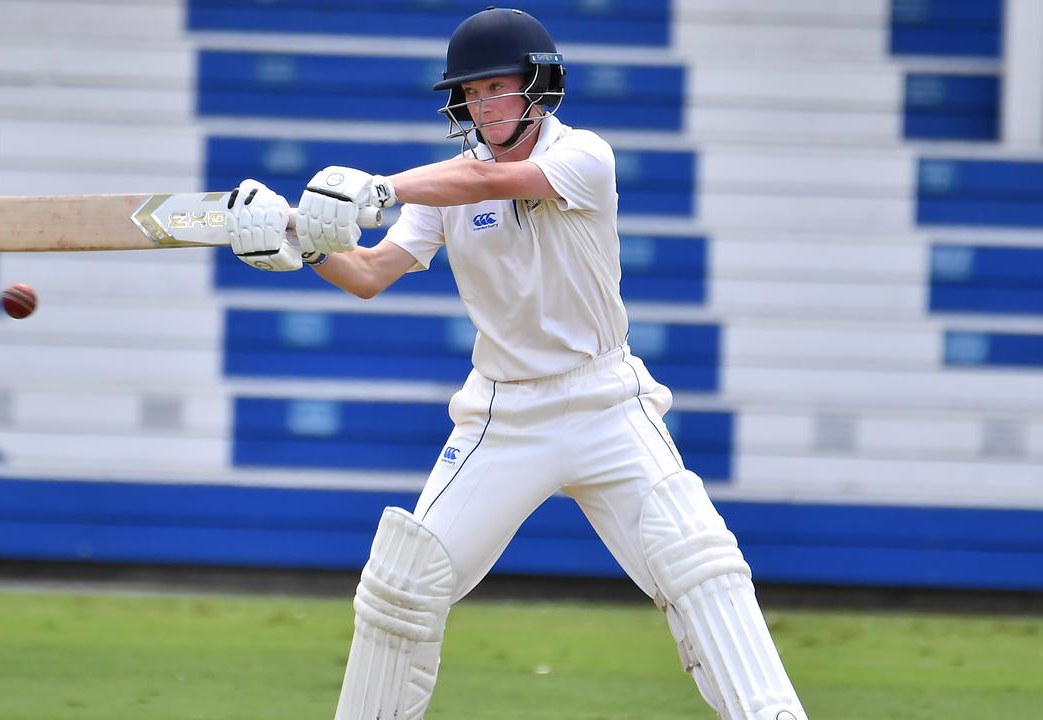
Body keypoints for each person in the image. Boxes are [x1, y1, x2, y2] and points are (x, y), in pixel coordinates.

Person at [222, 7, 808, 720]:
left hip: (606, 403)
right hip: (503, 415)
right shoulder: (447, 185)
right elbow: (371, 272)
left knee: (700, 562)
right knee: (402, 586)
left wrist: (382, 189)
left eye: (497, 87)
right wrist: (299, 242)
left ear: (538, 85)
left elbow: (489, 185)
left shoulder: (583, 156)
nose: (483, 104)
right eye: (470, 93)